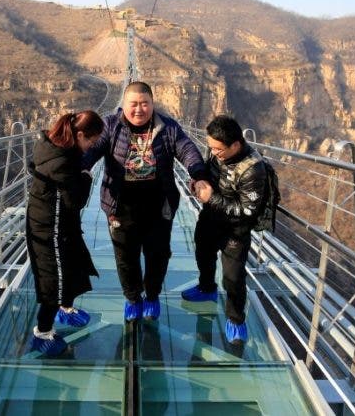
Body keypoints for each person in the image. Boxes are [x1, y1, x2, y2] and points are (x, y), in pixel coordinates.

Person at [82, 81, 209, 321]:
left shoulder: (168, 127)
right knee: (125, 256)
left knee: (158, 254)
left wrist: (198, 175)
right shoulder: (110, 125)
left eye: (144, 104)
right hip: (120, 205)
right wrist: (76, 168)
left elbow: (187, 150)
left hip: (159, 204)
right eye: (134, 104)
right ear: (124, 104)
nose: (139, 109)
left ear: (152, 104)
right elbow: (92, 150)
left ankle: (152, 296)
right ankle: (133, 298)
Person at [182, 115, 268, 344]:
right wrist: (198, 184)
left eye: (218, 150)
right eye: (211, 148)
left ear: (236, 145)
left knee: (232, 276)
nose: (214, 153)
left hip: (235, 230)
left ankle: (236, 319)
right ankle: (206, 288)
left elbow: (247, 210)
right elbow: (211, 175)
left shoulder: (253, 168)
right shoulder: (217, 152)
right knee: (203, 253)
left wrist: (212, 198)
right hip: (211, 218)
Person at [26, 110, 105, 355]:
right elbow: (76, 201)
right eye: (91, 141)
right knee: (55, 278)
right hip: (49, 229)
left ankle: (66, 308)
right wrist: (86, 177)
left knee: (75, 263)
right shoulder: (63, 162)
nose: (91, 146)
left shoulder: (53, 147)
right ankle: (42, 332)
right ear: (79, 135)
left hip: (59, 224)